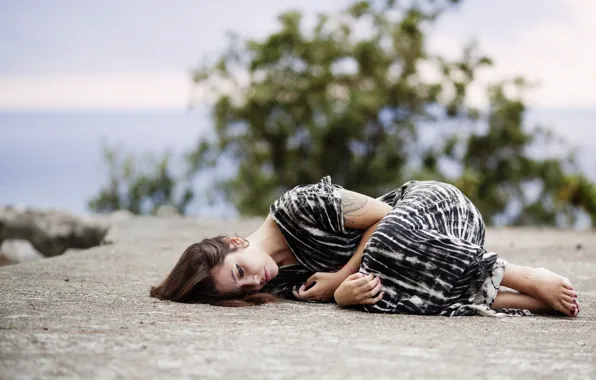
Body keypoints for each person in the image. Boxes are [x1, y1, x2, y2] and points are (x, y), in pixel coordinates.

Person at [150, 176, 580, 317]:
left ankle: (523, 275)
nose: (255, 281)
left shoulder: (298, 206)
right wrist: (347, 296)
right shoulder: (282, 284)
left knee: (380, 250)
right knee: (373, 289)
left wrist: (340, 278)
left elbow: (384, 216)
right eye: (242, 290)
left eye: (239, 271)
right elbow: (372, 283)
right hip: (433, 265)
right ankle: (516, 300)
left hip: (439, 212)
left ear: (234, 242)